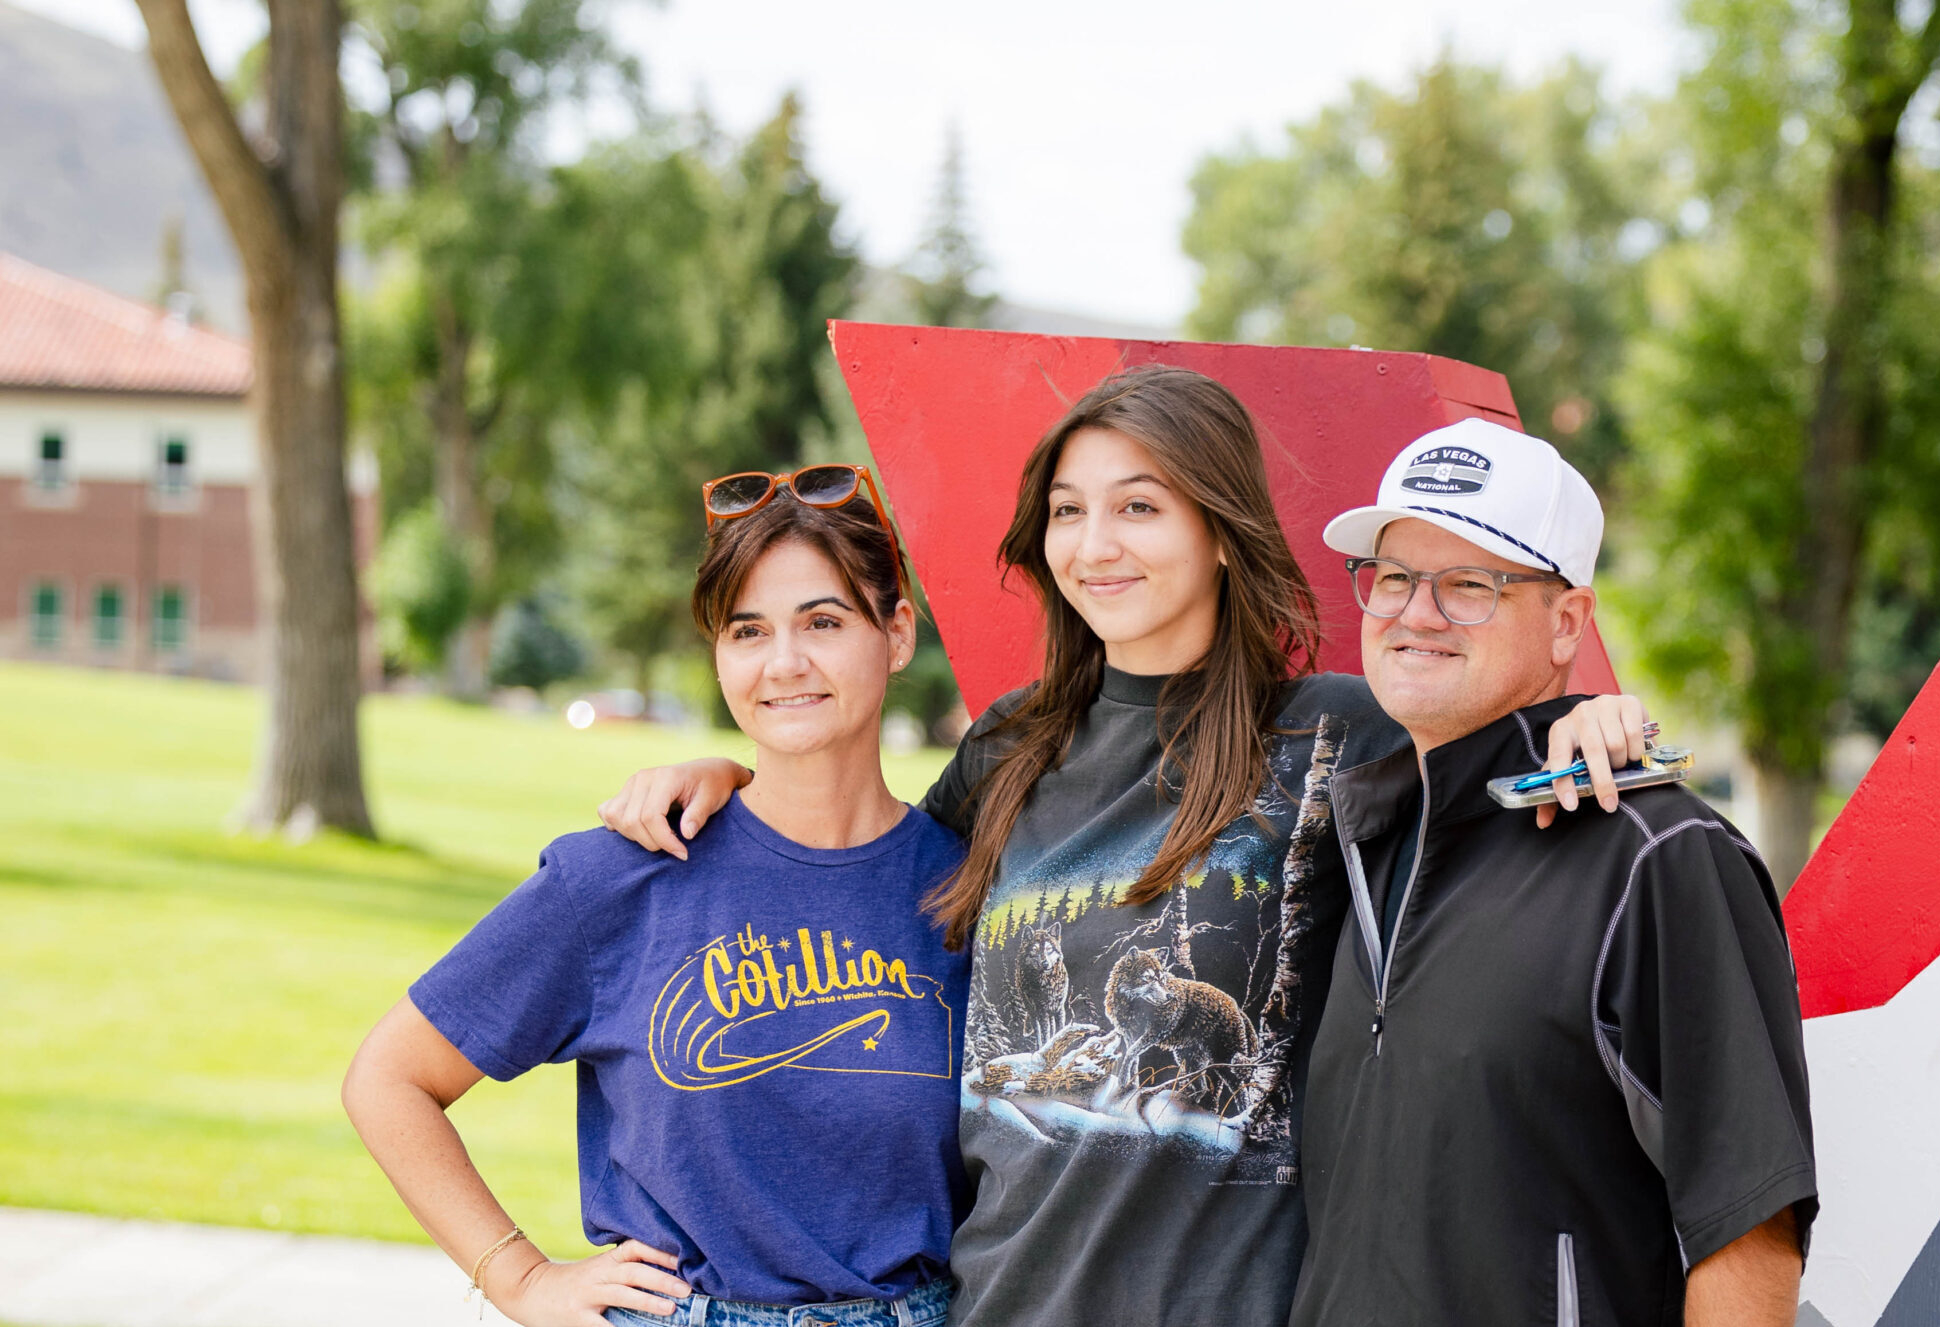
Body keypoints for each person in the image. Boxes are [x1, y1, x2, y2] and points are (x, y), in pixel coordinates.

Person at [597, 368, 1653, 1327]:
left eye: (1137, 507)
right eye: (1067, 512)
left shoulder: (1343, 735)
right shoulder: (1012, 746)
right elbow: (859, 858)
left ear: (1222, 531)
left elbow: (1517, 816)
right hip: (1000, 1303)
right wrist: (730, 779)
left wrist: (1580, 722)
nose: (1093, 546)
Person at [343, 471, 970, 1327]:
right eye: (748, 630)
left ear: (896, 633)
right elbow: (389, 1077)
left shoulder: (973, 887)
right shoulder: (624, 875)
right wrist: (520, 1278)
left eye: (823, 621)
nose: (784, 662)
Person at [1291, 417, 1817, 1327]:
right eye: (1396, 579)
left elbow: (1750, 1238)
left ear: (1567, 620)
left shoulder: (1659, 855)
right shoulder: (1358, 846)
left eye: (1470, 586)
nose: (1417, 613)